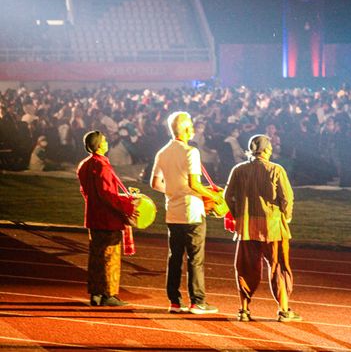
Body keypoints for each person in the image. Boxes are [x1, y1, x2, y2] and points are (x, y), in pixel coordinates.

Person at [224, 134, 301, 323]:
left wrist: (237, 215)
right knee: (279, 267)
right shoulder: (276, 170)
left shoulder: (238, 170)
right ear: (267, 150)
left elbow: (227, 196)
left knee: (245, 267)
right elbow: (287, 198)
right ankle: (283, 310)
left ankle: (244, 309)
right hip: (273, 227)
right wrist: (287, 216)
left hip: (247, 228)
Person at [151, 111, 221, 314]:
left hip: (172, 212)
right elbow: (194, 184)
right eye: (190, 124)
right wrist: (214, 196)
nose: (193, 127)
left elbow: (154, 183)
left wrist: (173, 190)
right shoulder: (191, 152)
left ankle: (174, 301)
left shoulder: (162, 152)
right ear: (184, 128)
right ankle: (197, 301)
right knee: (195, 259)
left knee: (175, 257)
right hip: (192, 212)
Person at [77, 130, 136, 307]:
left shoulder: (84, 164)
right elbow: (107, 194)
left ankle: (95, 293)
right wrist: (126, 208)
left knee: (96, 256)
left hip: (94, 216)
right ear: (100, 145)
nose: (107, 142)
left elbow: (87, 191)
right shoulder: (101, 165)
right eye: (104, 140)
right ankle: (109, 294)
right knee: (110, 257)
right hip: (108, 219)